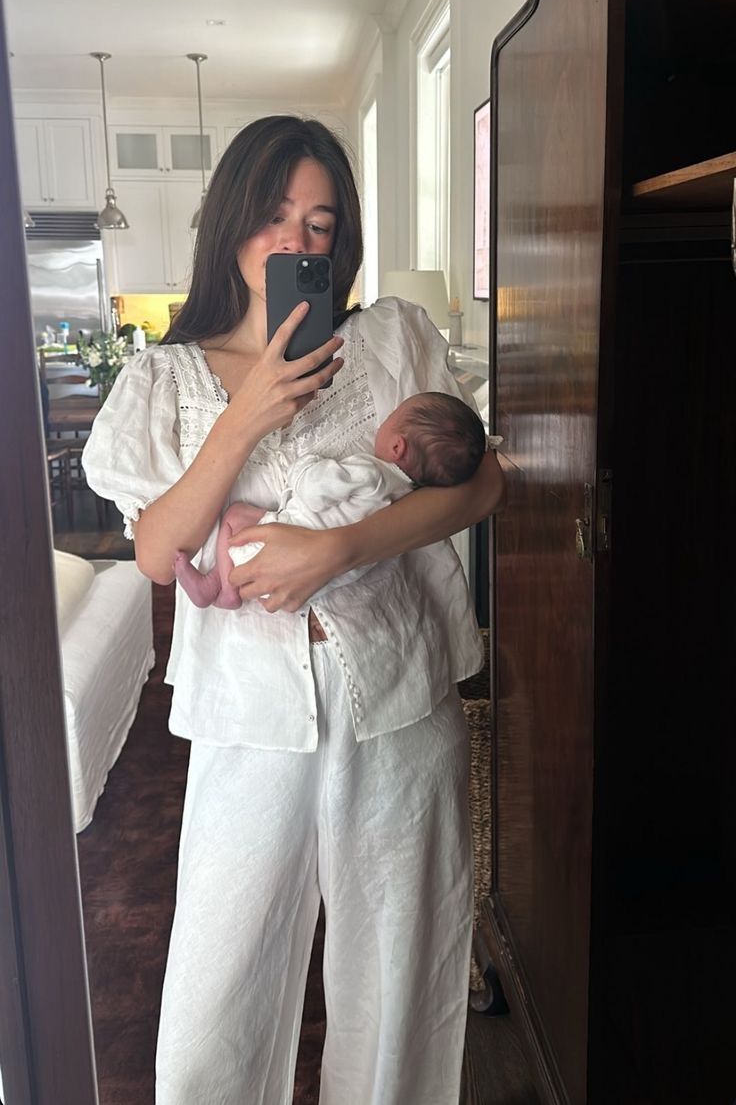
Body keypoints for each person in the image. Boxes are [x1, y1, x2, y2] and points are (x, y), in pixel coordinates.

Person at [82, 114, 505, 1105]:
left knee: (402, 974)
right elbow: (157, 550)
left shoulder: (390, 338)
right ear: (230, 218)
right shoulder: (164, 377)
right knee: (219, 987)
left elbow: (479, 489)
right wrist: (245, 413)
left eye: (320, 224)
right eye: (276, 216)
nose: (297, 244)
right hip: (248, 718)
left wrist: (338, 548)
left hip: (398, 702)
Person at [174, 390, 488, 609]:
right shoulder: (407, 495)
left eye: (391, 418)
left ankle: (222, 585)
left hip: (287, 541)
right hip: (321, 581)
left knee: (236, 515)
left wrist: (304, 465)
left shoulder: (370, 473)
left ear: (398, 448)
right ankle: (223, 584)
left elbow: (314, 490)